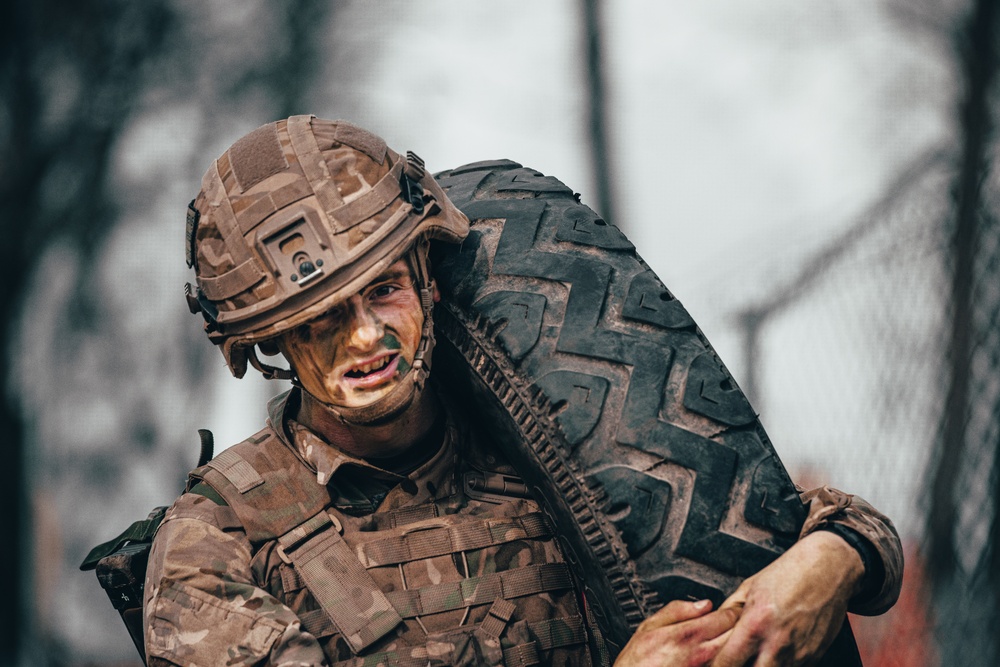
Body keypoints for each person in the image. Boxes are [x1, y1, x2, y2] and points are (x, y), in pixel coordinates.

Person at [145, 115, 902, 667]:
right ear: (270, 342)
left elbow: (747, 517)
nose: (365, 338)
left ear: (429, 283)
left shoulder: (534, 432)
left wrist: (837, 555)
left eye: (384, 291)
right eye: (320, 322)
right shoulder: (216, 542)